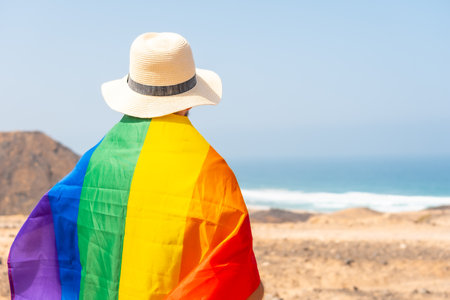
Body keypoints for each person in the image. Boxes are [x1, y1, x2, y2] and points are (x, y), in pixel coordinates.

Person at [8, 32, 263, 299]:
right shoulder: (210, 169)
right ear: (189, 98)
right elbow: (239, 277)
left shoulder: (95, 161)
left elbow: (49, 226)